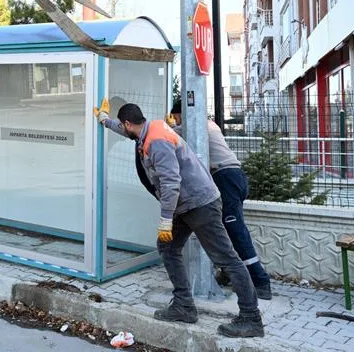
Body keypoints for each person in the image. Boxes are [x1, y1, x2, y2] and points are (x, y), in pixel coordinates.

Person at [96, 102, 264, 338]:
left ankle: (251, 318)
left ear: (128, 123)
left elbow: (171, 182)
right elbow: (126, 131)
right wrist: (104, 120)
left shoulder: (157, 142)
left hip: (199, 204)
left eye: (122, 125)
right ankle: (184, 305)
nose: (124, 130)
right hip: (186, 205)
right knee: (168, 247)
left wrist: (165, 220)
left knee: (226, 258)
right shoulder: (150, 128)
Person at [169, 100, 272, 300]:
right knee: (225, 230)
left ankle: (261, 282)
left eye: (177, 117)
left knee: (236, 231)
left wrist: (169, 126)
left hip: (225, 177)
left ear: (182, 114)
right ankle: (228, 274)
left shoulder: (196, 126)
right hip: (234, 176)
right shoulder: (210, 123)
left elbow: (170, 136)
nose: (177, 121)